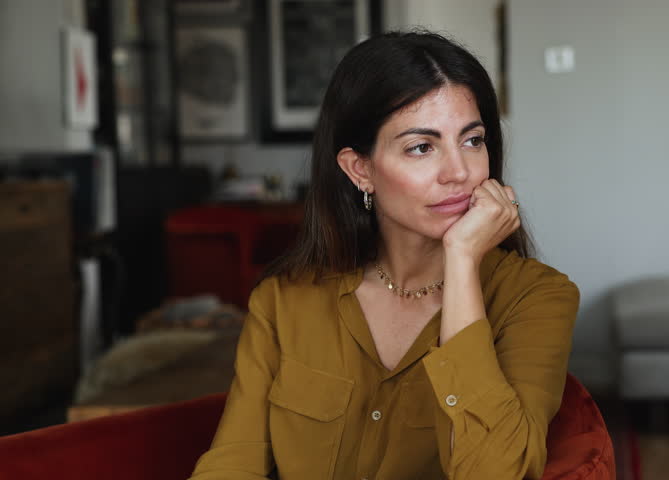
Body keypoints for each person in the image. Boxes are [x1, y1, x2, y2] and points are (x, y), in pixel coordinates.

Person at [188, 30, 579, 480]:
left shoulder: (538, 298)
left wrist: (462, 260)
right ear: (361, 170)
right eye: (422, 147)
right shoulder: (283, 301)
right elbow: (232, 463)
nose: (459, 172)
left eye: (472, 140)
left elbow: (497, 472)